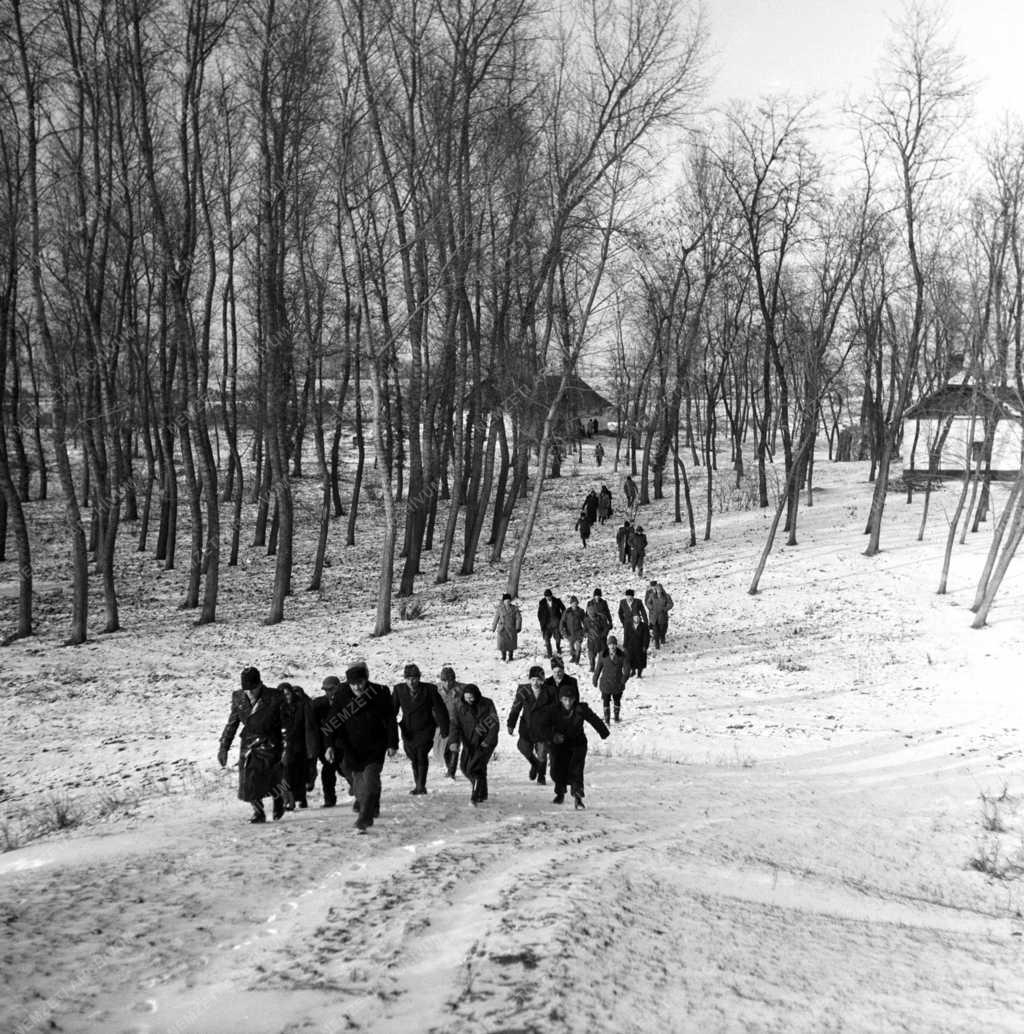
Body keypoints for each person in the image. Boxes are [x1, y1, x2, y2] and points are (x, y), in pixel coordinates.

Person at [324, 661, 398, 832]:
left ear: (366, 679)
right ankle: (371, 805)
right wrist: (329, 745)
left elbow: (390, 720)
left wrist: (392, 743)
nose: (357, 687)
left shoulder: (380, 692)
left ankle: (365, 818)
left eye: (360, 683)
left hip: (375, 746)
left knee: (371, 780)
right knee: (359, 786)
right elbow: (332, 722)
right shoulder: (342, 695)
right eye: (353, 684)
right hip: (352, 748)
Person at [218, 666, 286, 824]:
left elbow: (285, 723)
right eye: (246, 689)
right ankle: (258, 812)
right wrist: (224, 747)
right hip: (249, 742)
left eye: (253, 689)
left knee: (273, 778)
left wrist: (286, 745)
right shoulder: (238, 697)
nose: (250, 692)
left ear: (260, 684)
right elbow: (232, 723)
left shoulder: (275, 696)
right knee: (248, 781)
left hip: (270, 741)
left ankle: (279, 800)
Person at [548, 682, 610, 809]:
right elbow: (544, 725)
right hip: (559, 743)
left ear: (575, 699)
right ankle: (560, 793)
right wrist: (553, 736)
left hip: (577, 743)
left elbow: (594, 719)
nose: (568, 702)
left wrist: (603, 732)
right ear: (561, 699)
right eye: (565, 699)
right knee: (556, 769)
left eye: (570, 699)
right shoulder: (554, 710)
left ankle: (578, 797)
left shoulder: (580, 709)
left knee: (576, 768)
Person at [393, 663, 450, 795]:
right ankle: (418, 783)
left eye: (414, 678)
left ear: (419, 678)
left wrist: (444, 728)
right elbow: (392, 711)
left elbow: (440, 709)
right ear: (405, 679)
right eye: (408, 679)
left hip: (425, 728)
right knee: (413, 757)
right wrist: (388, 728)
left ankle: (420, 786)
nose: (412, 682)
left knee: (421, 755)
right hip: (408, 730)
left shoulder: (429, 690)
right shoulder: (399, 690)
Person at [452, 683, 500, 804]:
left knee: (474, 767)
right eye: (467, 698)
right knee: (464, 767)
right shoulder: (459, 706)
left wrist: (487, 741)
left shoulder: (487, 703)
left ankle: (475, 795)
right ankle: (482, 793)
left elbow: (494, 723)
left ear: (477, 695)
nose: (469, 700)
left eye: (471, 698)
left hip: (485, 742)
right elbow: (455, 725)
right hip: (469, 742)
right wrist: (454, 741)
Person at [306, 675, 350, 807]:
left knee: (346, 769)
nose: (328, 692)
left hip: (345, 743)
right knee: (327, 773)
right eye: (326, 690)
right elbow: (311, 725)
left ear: (338, 687)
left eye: (331, 689)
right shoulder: (318, 704)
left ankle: (358, 790)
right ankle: (329, 800)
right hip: (326, 745)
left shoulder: (348, 702)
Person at [507, 665, 547, 784]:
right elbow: (516, 708)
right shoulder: (523, 691)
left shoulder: (548, 691)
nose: (535, 683)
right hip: (527, 726)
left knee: (542, 752)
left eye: (538, 680)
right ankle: (535, 764)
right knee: (523, 747)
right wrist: (511, 724)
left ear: (543, 680)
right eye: (533, 680)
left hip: (543, 727)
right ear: (530, 680)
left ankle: (541, 775)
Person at [279, 682, 315, 810]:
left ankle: (301, 798)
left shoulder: (302, 705)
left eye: (288, 694)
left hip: (299, 746)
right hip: (283, 746)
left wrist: (310, 748)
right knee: (285, 775)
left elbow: (308, 727)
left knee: (299, 774)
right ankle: (288, 800)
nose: (286, 697)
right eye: (283, 695)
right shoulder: (278, 708)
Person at [592, 634, 629, 723]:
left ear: (616, 645)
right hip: (606, 682)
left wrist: (623, 681)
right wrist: (595, 678)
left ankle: (616, 717)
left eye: (614, 644)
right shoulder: (602, 655)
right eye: (610, 644)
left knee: (617, 700)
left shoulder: (622, 655)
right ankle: (607, 719)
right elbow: (598, 668)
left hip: (617, 682)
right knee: (605, 700)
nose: (612, 646)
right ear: (607, 645)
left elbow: (627, 670)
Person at [435, 666, 463, 778]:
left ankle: (452, 772)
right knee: (445, 749)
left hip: (457, 722)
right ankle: (449, 768)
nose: (447, 683)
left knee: (454, 746)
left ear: (454, 679)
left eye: (450, 680)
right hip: (441, 722)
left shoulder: (462, 689)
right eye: (444, 680)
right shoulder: (436, 690)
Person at [618, 590, 650, 678]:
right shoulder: (622, 602)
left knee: (638, 650)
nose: (629, 598)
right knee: (629, 646)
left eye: (631, 596)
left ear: (633, 596)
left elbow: (643, 612)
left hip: (637, 621)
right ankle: (632, 670)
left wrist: (646, 622)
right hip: (628, 625)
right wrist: (623, 622)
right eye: (628, 596)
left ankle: (638, 670)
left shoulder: (638, 602)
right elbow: (620, 613)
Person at [584, 593, 612, 673]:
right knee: (591, 655)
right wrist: (586, 633)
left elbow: (606, 628)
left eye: (592, 613)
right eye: (589, 613)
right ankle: (592, 667)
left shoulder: (601, 618)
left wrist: (603, 635)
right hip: (591, 640)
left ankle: (602, 666)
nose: (590, 615)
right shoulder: (586, 620)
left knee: (602, 654)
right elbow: (585, 629)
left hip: (601, 640)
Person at [493, 592, 522, 662]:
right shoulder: (500, 609)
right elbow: (496, 618)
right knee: (502, 643)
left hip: (511, 628)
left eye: (508, 601)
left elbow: (519, 618)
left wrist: (518, 627)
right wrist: (493, 627)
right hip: (502, 628)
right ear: (503, 601)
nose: (507, 602)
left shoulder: (514, 608)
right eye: (506, 601)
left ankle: (511, 656)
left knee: (511, 643)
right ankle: (503, 656)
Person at [645, 581, 674, 650]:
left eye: (660, 589)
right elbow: (647, 602)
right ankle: (657, 644)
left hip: (662, 616)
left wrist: (665, 609)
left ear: (662, 590)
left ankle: (662, 637)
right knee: (655, 631)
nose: (659, 591)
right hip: (654, 616)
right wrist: (651, 608)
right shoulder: (652, 595)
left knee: (662, 629)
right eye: (658, 589)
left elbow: (671, 604)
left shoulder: (666, 596)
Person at [537, 588, 566, 658]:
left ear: (551, 596)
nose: (548, 598)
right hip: (546, 625)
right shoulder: (542, 603)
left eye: (549, 596)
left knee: (558, 639)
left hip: (556, 624)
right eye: (546, 596)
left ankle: (558, 648)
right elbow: (539, 613)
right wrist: (541, 621)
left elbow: (564, 609)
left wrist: (562, 619)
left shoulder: (557, 601)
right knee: (547, 640)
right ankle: (549, 654)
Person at [560, 595, 586, 665]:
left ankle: (577, 660)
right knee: (571, 648)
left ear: (577, 603)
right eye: (573, 603)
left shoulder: (580, 611)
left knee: (578, 648)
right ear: (571, 604)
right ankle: (573, 656)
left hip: (578, 633)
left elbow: (585, 622)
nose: (574, 604)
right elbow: (562, 622)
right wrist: (563, 631)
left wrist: (584, 631)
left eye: (575, 603)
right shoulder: (567, 612)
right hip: (570, 633)